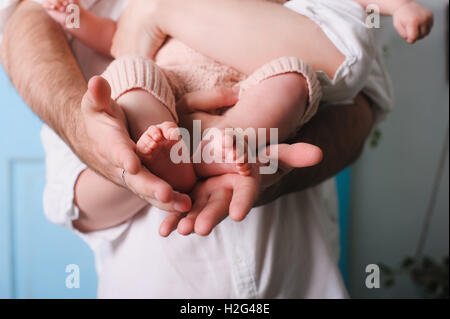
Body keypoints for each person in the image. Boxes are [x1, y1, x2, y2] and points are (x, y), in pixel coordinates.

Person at [0, 0, 394, 298]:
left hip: (293, 273)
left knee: (293, 77)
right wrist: (76, 17)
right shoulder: (116, 14)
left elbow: (344, 62)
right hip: (165, 104)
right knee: (130, 78)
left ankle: (228, 139)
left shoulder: (272, 13)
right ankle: (165, 151)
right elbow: (109, 36)